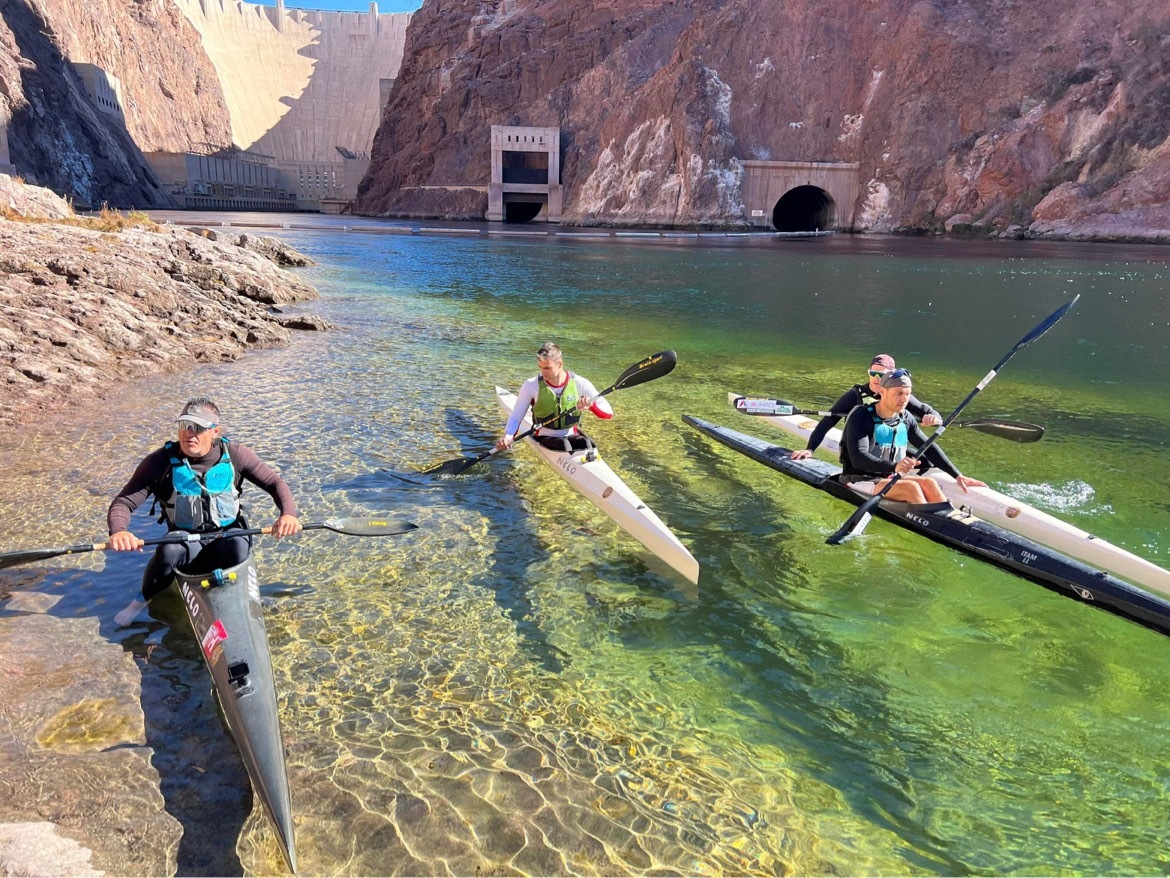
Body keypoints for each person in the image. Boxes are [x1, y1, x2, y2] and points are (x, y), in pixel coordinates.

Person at [107, 397, 302, 626]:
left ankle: (235, 606)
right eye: (184, 426)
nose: (189, 433)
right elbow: (123, 502)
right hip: (186, 541)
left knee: (239, 546)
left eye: (198, 427)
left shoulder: (236, 455)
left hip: (227, 536)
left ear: (215, 431)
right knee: (168, 550)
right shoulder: (159, 463)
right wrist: (119, 531)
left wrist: (288, 514)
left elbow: (275, 483)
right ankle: (141, 600)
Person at [839, 369, 985, 504]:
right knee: (911, 488)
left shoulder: (906, 418)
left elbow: (929, 448)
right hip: (858, 479)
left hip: (888, 477)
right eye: (899, 393)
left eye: (908, 394)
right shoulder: (861, 416)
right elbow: (858, 458)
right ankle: (932, 525)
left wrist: (958, 475)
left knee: (929, 483)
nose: (904, 399)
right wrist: (895, 466)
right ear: (882, 391)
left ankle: (948, 520)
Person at [791, 353, 943, 461]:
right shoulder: (856, 395)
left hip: (886, 448)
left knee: (926, 461)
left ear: (891, 375)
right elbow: (827, 422)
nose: (876, 378)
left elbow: (929, 412)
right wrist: (810, 449)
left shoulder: (898, 393)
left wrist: (933, 419)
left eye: (881, 374)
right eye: (873, 373)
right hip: (859, 451)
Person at [496, 342, 613, 453]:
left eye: (547, 368)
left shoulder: (580, 383)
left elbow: (609, 413)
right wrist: (508, 437)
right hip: (545, 436)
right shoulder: (531, 385)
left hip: (571, 434)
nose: (543, 372)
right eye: (540, 367)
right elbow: (516, 417)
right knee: (564, 445)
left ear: (560, 364)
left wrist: (591, 405)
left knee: (586, 443)